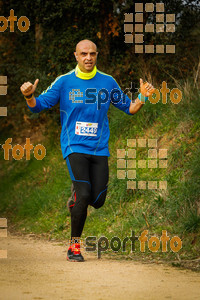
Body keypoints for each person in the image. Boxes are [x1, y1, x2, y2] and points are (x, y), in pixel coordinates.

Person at [20, 39, 155, 262]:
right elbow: (39, 106)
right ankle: (74, 247)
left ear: (97, 55)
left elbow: (129, 108)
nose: (88, 57)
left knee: (98, 199)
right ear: (76, 56)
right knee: (83, 194)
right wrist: (29, 96)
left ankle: (75, 201)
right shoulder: (64, 82)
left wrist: (141, 96)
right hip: (74, 147)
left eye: (92, 53)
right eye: (83, 54)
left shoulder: (108, 82)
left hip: (99, 148)